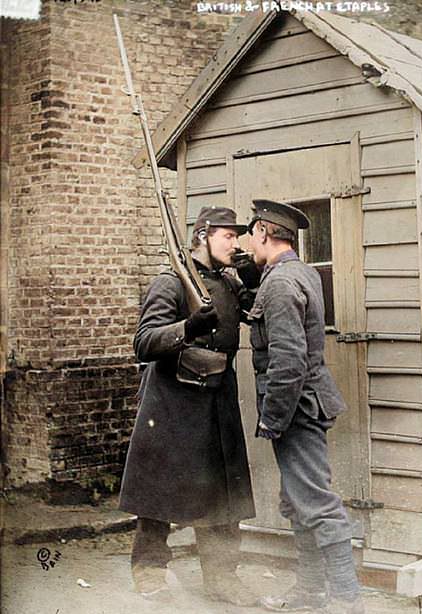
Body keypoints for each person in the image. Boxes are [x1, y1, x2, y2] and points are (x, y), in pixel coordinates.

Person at [119, 206, 260, 606]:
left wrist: (252, 278)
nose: (235, 243)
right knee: (158, 490)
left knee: (222, 493)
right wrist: (188, 328)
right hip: (173, 400)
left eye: (237, 236)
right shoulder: (170, 283)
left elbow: (254, 312)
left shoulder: (229, 283)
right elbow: (144, 343)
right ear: (203, 235)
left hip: (217, 395)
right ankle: (149, 572)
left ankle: (222, 578)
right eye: (228, 236)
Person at [247, 199, 364, 614]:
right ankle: (311, 593)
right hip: (308, 402)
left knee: (316, 502)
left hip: (296, 408)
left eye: (252, 233)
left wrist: (272, 420)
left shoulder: (279, 284)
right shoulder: (302, 272)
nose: (248, 241)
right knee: (298, 500)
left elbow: (289, 361)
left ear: (264, 231)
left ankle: (348, 599)